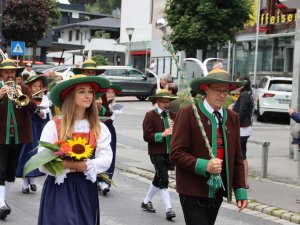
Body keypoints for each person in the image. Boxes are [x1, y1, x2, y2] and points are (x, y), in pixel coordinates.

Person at [170, 68, 248, 225]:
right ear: (206, 89)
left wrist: (240, 190)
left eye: (226, 91)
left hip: (217, 191)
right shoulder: (188, 114)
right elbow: (176, 153)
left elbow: (237, 158)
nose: (222, 95)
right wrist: (204, 165)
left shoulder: (232, 117)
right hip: (192, 190)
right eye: (218, 90)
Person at [37, 74, 112, 225]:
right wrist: (77, 166)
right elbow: (41, 162)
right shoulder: (54, 125)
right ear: (71, 96)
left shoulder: (99, 127)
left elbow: (106, 160)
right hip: (60, 187)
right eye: (82, 91)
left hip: (86, 188)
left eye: (90, 91)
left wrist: (73, 165)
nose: (88, 96)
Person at [0, 59, 37, 220]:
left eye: (12, 72)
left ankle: (3, 200)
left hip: (18, 135)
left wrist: (22, 97)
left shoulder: (24, 88)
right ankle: (1, 203)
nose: (10, 74)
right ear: (1, 73)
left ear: (16, 74)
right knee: (0, 170)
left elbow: (33, 108)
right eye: (6, 71)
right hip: (1, 136)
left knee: (11, 170)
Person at [141, 89, 178, 221]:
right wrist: (162, 134)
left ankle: (145, 202)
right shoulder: (150, 115)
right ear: (157, 101)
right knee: (164, 178)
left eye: (168, 101)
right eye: (163, 101)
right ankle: (169, 209)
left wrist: (175, 129)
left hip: (169, 152)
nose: (166, 104)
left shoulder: (173, 115)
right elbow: (146, 136)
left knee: (159, 177)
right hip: (156, 152)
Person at [16, 75, 50, 194]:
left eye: (39, 86)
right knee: (26, 153)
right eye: (34, 86)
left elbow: (44, 115)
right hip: (27, 128)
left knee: (36, 152)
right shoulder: (26, 97)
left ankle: (33, 180)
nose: (36, 88)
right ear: (29, 87)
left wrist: (38, 108)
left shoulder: (44, 98)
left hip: (38, 128)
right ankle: (25, 183)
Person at [97, 84, 123, 195]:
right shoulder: (98, 102)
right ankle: (98, 180)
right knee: (97, 154)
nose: (110, 94)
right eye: (108, 92)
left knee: (109, 154)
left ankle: (106, 182)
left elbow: (110, 119)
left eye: (112, 92)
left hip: (109, 130)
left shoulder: (115, 105)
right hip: (97, 129)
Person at [232, 76, 254, 189]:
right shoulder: (246, 94)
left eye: (238, 83)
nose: (236, 86)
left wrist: (233, 124)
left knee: (240, 156)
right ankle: (243, 182)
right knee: (242, 155)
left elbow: (242, 112)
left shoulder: (245, 95)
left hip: (242, 129)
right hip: (243, 129)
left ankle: (243, 182)